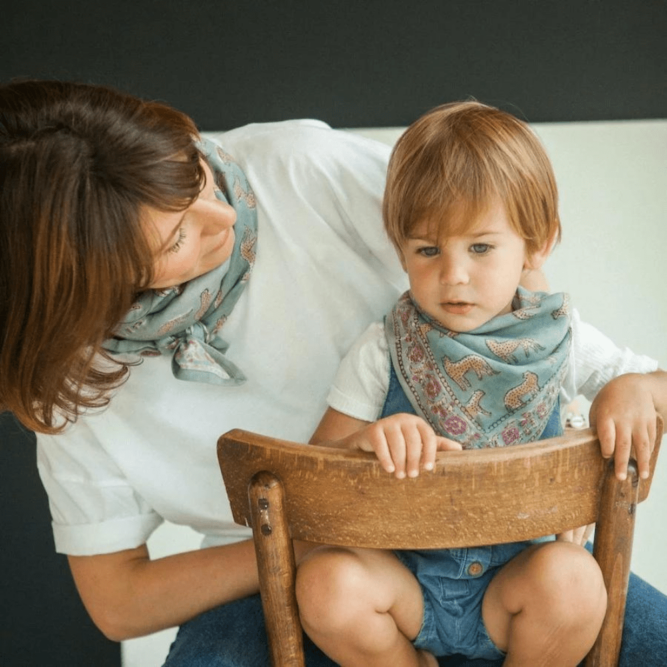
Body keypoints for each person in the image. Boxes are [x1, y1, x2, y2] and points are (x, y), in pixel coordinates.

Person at [0, 81, 665, 667]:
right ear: (87, 288)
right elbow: (118, 600)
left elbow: (498, 243)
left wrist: (549, 448)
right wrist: (317, 521)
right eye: (176, 237)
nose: (225, 215)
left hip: (507, 552)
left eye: (195, 174)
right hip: (288, 577)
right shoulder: (67, 380)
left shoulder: (301, 170)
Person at [297, 102, 667, 666]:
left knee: (573, 579)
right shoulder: (383, 347)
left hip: (515, 592)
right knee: (325, 583)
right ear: (401, 251)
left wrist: (635, 387)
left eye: (480, 247)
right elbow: (314, 472)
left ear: (536, 245)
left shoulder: (561, 339)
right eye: (427, 250)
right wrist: (365, 442)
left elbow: (660, 385)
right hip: (406, 588)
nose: (454, 274)